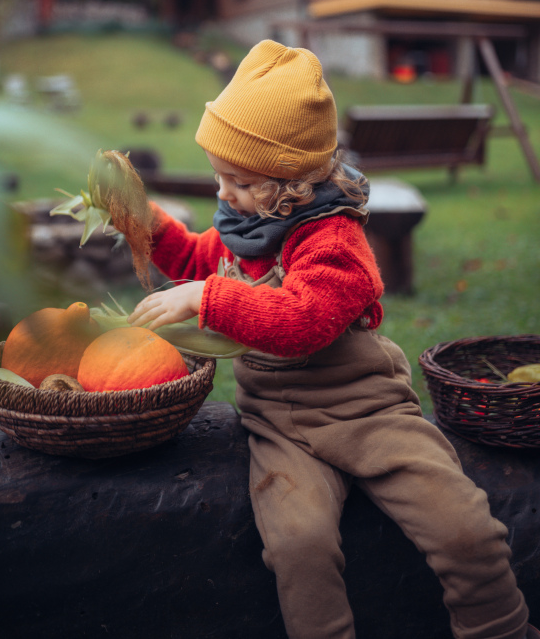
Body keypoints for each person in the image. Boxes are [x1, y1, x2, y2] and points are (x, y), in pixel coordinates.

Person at [119, 40, 537, 639]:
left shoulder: (334, 244)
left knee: (464, 527)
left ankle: (500, 629)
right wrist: (142, 220)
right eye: (219, 175)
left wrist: (207, 298)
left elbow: (303, 320)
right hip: (280, 425)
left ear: (291, 182)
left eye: (238, 179)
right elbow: (189, 256)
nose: (223, 192)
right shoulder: (245, 229)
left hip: (366, 410)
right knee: (298, 545)